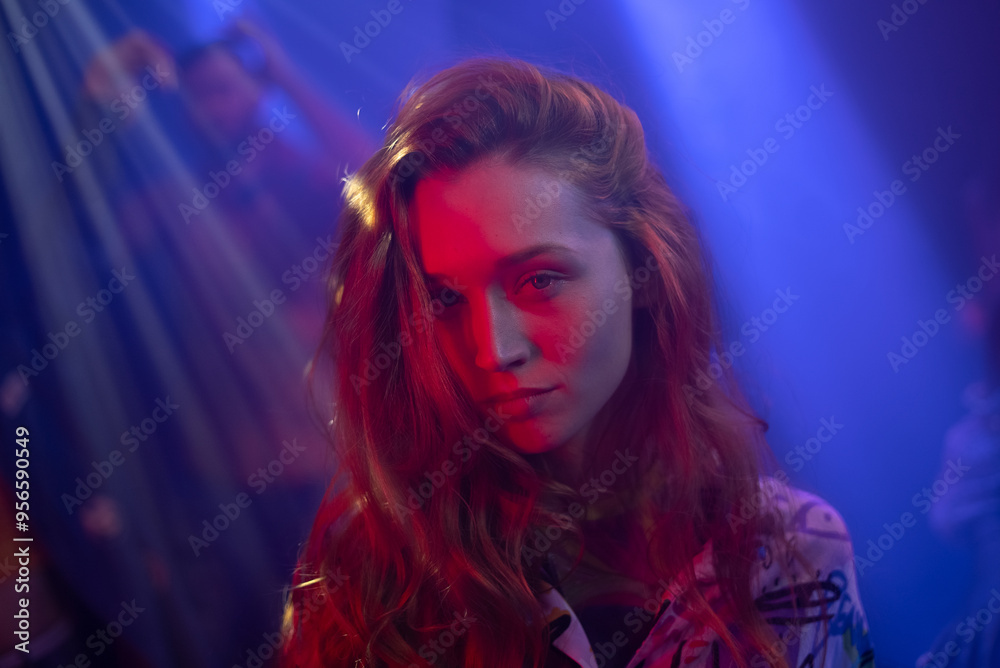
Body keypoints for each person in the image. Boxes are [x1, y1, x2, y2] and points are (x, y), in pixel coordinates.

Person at [280, 56, 875, 668]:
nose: (494, 349)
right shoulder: (377, 562)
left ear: (644, 268)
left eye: (539, 280)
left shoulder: (792, 553)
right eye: (446, 299)